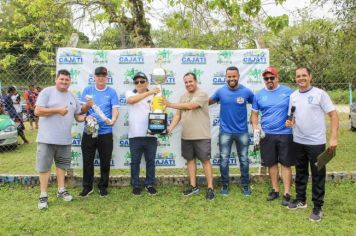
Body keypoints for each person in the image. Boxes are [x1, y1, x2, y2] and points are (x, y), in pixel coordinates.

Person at [286, 67, 339, 222]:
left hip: (316, 142)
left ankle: (318, 207)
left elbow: (333, 115)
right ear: (295, 79)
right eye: (298, 76)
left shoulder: (319, 94)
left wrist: (333, 138)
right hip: (298, 141)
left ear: (310, 77)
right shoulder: (293, 96)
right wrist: (290, 122)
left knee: (318, 175)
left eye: (304, 75)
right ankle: (301, 200)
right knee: (301, 172)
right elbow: (293, 117)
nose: (301, 78)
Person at [35, 69, 86, 210]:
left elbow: (78, 116)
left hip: (64, 139)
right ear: (56, 79)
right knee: (44, 167)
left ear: (70, 81)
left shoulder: (72, 96)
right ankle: (43, 194)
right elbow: (37, 111)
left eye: (67, 79)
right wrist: (56, 110)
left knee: (61, 166)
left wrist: (87, 118)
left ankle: (61, 190)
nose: (64, 82)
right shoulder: (47, 92)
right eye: (61, 79)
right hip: (46, 139)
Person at [164, 72, 215, 200]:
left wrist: (169, 104)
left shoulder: (202, 94)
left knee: (205, 161)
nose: (188, 84)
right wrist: (170, 127)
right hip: (186, 135)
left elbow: (191, 106)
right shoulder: (183, 96)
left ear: (196, 81)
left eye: (190, 81)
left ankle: (210, 188)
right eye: (186, 82)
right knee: (190, 161)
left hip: (201, 135)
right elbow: (178, 115)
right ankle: (193, 186)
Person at [251, 66, 294, 205]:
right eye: (266, 78)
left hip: (285, 134)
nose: (269, 80)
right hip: (267, 135)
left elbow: (295, 110)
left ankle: (287, 193)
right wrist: (256, 127)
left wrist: (293, 120)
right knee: (272, 164)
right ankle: (275, 190)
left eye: (272, 78)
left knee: (286, 164)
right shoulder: (259, 95)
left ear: (277, 78)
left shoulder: (288, 92)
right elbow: (254, 114)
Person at [209, 66, 254, 196]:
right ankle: (224, 185)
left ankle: (245, 185)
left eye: (234, 76)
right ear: (226, 77)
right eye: (229, 76)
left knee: (244, 160)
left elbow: (256, 104)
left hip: (242, 132)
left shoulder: (246, 91)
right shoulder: (221, 91)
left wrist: (254, 116)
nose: (231, 79)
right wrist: (194, 102)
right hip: (225, 132)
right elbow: (207, 102)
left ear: (238, 76)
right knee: (224, 160)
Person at [79, 66, 119, 197]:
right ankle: (87, 187)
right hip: (89, 131)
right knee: (87, 160)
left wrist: (113, 119)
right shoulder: (87, 90)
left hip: (106, 132)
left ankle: (103, 186)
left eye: (103, 75)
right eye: (98, 75)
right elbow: (81, 111)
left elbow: (115, 110)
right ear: (94, 77)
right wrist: (87, 105)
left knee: (105, 161)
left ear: (107, 77)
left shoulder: (112, 92)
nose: (101, 77)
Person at [125, 72, 160, 196]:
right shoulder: (130, 93)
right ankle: (136, 185)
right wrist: (150, 92)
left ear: (147, 82)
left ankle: (149, 184)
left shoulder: (156, 94)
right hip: (135, 135)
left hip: (151, 134)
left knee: (151, 161)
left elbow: (161, 109)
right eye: (136, 82)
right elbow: (132, 100)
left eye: (142, 81)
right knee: (135, 162)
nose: (139, 84)